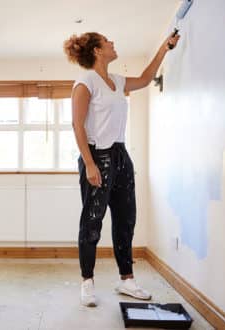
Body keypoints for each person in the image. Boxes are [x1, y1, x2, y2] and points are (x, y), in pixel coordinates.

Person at [63, 31, 180, 307]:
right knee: (92, 220)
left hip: (121, 155)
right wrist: (90, 163)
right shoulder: (85, 82)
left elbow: (145, 78)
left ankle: (126, 280)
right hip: (96, 155)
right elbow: (77, 125)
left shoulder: (116, 80)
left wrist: (164, 48)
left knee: (126, 219)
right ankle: (87, 282)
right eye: (107, 41)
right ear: (96, 50)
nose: (113, 43)